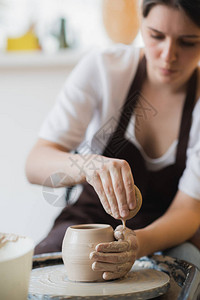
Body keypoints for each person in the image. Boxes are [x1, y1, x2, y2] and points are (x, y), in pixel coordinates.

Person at [26, 0, 200, 280]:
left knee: (187, 277)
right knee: (35, 274)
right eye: (156, 36)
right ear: (140, 23)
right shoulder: (104, 68)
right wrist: (88, 165)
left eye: (188, 42)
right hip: (88, 220)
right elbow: (35, 164)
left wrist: (138, 245)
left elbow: (189, 210)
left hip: (165, 233)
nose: (169, 55)